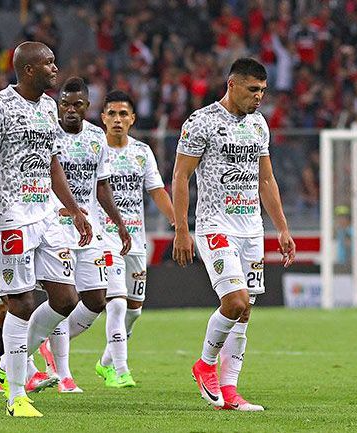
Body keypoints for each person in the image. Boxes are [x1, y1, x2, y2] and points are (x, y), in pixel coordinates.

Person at [0, 41, 92, 417]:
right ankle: (16, 395)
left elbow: (53, 163)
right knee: (21, 302)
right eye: (49, 63)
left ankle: (10, 361)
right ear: (28, 70)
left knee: (66, 299)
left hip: (47, 217)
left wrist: (74, 210)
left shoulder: (47, 109)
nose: (56, 69)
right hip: (12, 219)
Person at [173, 58, 296, 411]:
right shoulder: (202, 122)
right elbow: (181, 176)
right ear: (232, 85)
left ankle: (230, 391)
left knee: (245, 313)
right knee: (235, 302)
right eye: (252, 90)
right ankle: (204, 364)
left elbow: (266, 179)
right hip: (216, 225)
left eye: (263, 91)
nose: (259, 97)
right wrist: (182, 228)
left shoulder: (258, 125)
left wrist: (282, 227)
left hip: (251, 229)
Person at [35, 77, 131, 393]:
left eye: (77, 104)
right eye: (65, 104)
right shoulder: (47, 136)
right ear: (58, 105)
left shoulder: (96, 138)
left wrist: (118, 222)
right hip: (55, 227)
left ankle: (46, 341)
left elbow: (101, 185)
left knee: (95, 298)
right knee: (63, 298)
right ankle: (62, 373)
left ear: (87, 106)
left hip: (90, 229)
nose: (71, 110)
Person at [93, 90, 175, 388]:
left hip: (135, 240)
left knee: (135, 309)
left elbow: (156, 191)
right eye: (112, 114)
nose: (117, 119)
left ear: (132, 119)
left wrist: (177, 222)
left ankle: (104, 363)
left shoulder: (142, 152)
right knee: (116, 303)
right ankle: (121, 369)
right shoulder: (94, 149)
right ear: (103, 118)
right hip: (104, 237)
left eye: (123, 114)